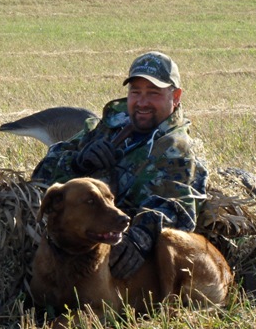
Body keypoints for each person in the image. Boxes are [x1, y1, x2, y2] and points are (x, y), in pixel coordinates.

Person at [31, 51, 208, 280]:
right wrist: (78, 162)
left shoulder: (178, 151)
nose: (142, 102)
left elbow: (178, 211)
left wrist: (138, 238)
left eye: (153, 93)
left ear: (175, 97)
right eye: (136, 92)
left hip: (111, 246)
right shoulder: (111, 125)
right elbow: (41, 174)